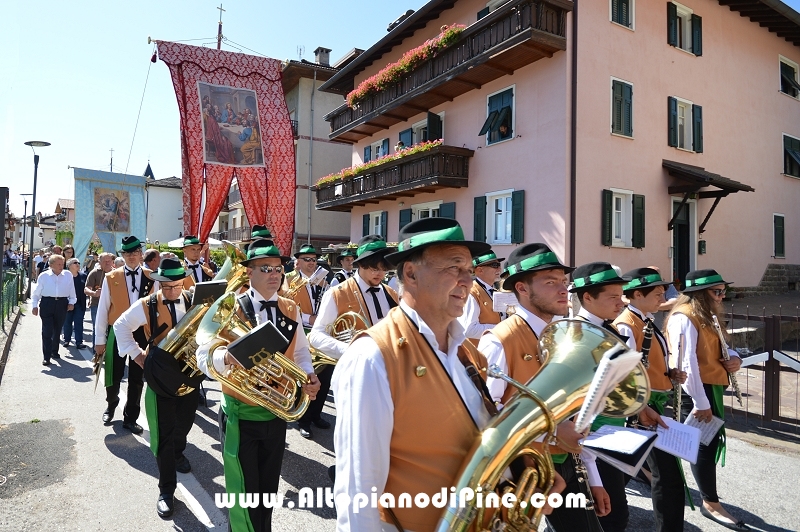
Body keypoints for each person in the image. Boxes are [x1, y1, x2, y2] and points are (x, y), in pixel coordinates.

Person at [332, 218, 516, 530]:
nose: (467, 281)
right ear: (411, 273)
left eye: (470, 271)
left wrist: (519, 470)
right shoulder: (372, 357)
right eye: (454, 268)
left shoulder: (467, 353)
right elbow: (358, 487)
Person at [478, 243, 608, 531]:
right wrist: (551, 429)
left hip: (566, 463)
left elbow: (574, 416)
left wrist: (594, 477)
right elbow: (487, 415)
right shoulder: (499, 339)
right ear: (522, 289)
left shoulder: (565, 336)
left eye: (563, 281)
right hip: (525, 467)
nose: (563, 289)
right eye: (550, 282)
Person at [196, 239, 320, 532]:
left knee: (266, 490)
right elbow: (203, 354)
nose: (275, 274)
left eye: (278, 268)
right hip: (241, 413)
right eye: (265, 268)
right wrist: (225, 357)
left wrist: (308, 377)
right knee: (243, 491)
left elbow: (301, 352)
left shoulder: (291, 307)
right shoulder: (230, 306)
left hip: (276, 413)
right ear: (248, 272)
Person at [113, 258, 199, 519]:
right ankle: (166, 490)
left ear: (184, 281)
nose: (171, 291)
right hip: (161, 376)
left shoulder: (195, 300)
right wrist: (137, 355)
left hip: (190, 374)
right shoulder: (147, 304)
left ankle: (178, 452)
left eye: (175, 285)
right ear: (159, 283)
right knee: (163, 432)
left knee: (184, 424)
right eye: (166, 286)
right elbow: (120, 326)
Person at [665, 269, 750, 531]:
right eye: (717, 292)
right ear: (700, 294)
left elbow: (720, 347)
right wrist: (701, 403)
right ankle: (710, 502)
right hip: (696, 392)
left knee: (706, 445)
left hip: (710, 387)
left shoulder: (706, 315)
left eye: (724, 291)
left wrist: (736, 358)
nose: (722, 296)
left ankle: (708, 498)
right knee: (702, 447)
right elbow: (687, 362)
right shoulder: (685, 317)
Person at [613, 267, 688, 531]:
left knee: (623, 468)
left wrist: (669, 373)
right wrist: (640, 407)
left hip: (652, 403)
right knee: (666, 476)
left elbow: (651, 361)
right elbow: (627, 372)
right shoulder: (625, 323)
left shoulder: (645, 319)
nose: (662, 297)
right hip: (642, 408)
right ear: (636, 294)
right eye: (657, 293)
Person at [306, 235, 398, 440]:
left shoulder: (390, 292)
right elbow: (316, 336)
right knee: (355, 434)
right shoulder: (337, 292)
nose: (380, 274)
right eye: (375, 268)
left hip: (387, 373)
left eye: (384, 269)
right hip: (354, 373)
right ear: (361, 265)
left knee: (384, 433)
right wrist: (351, 350)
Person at [569, 261, 632, 532]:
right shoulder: (578, 335)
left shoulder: (610, 328)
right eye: (613, 297)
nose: (621, 303)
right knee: (610, 516)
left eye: (622, 296)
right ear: (587, 298)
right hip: (593, 441)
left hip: (612, 433)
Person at [94, 236, 156, 434]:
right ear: (122, 255)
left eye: (135, 252)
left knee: (137, 377)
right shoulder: (111, 277)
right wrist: (99, 341)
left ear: (141, 254)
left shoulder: (152, 276)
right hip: (116, 331)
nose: (131, 256)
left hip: (142, 331)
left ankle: (131, 417)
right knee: (113, 373)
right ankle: (112, 404)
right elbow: (103, 310)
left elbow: (156, 308)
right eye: (127, 253)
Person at [31, 254, 76, 365]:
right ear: (51, 265)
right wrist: (34, 305)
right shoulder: (44, 276)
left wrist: (71, 302)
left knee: (57, 329)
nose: (61, 266)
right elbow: (36, 292)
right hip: (47, 303)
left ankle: (54, 351)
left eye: (62, 264)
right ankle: (46, 356)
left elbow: (72, 291)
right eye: (59, 264)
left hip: (62, 304)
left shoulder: (68, 275)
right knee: (47, 330)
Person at [459, 250, 505, 344]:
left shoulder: (494, 291)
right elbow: (469, 330)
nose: (499, 269)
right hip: (478, 353)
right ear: (480, 270)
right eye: (494, 266)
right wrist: (504, 328)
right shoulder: (472, 293)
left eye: (499, 265)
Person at [284, 244, 326, 329]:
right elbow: (286, 309)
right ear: (298, 262)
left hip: (321, 329)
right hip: (300, 329)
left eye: (314, 260)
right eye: (307, 259)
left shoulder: (323, 282)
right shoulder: (289, 282)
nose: (311, 262)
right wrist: (309, 318)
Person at [86, 252, 114, 338]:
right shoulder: (94, 273)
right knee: (98, 329)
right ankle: (96, 350)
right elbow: (86, 289)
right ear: (99, 262)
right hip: (97, 305)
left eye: (109, 261)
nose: (107, 263)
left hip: (112, 306)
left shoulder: (116, 273)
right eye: (104, 261)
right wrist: (94, 293)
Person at [62, 258, 88, 348]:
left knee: (79, 322)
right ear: (69, 266)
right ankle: (67, 340)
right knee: (67, 322)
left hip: (80, 304)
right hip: (67, 303)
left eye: (78, 263)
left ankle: (79, 342)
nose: (77, 264)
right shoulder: (64, 276)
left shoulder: (83, 276)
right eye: (75, 263)